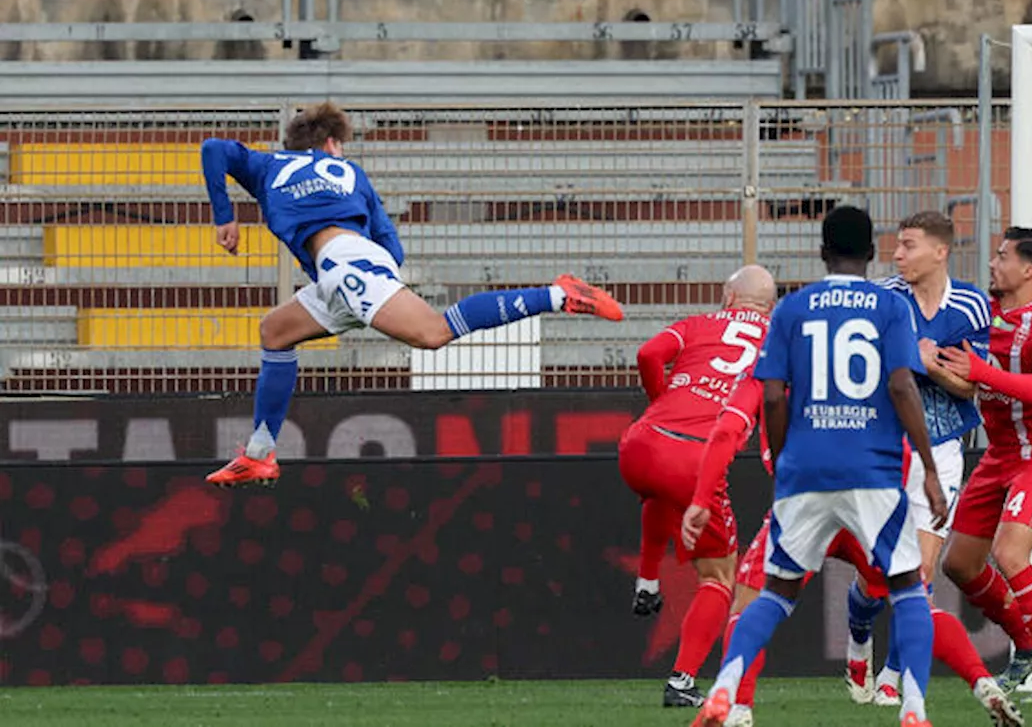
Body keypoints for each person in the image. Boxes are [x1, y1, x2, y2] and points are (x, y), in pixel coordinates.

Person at [200, 102, 623, 487]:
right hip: (349, 266)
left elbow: (214, 148)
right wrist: (375, 276)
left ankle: (558, 294)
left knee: (433, 333)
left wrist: (226, 218)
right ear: (331, 143)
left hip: (342, 267)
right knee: (275, 331)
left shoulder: (267, 165)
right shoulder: (352, 175)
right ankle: (259, 453)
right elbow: (390, 242)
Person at [690, 205, 947, 727]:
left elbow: (774, 397)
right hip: (872, 470)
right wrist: (929, 467)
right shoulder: (889, 306)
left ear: (821, 251)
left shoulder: (791, 308)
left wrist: (784, 460)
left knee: (776, 592)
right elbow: (901, 386)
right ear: (872, 253)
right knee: (907, 588)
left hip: (805, 470)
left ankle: (723, 687)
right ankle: (915, 708)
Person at [844, 212, 1019, 726]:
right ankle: (859, 639)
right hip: (883, 443)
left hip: (941, 446)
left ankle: (893, 679)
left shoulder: (969, 305)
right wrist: (919, 361)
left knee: (918, 575)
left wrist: (929, 363)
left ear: (939, 252)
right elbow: (868, 372)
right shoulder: (881, 298)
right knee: (875, 575)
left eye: (908, 246)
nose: (897, 255)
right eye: (897, 247)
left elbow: (974, 384)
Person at [681, 367, 898, 727]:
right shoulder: (847, 352)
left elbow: (726, 432)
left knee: (751, 604)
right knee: (912, 595)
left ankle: (737, 707)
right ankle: (738, 706)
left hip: (822, 502)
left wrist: (702, 498)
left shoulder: (777, 364)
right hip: (848, 504)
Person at [618, 265, 777, 707]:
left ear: (729, 296)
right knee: (720, 577)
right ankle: (682, 683)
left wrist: (661, 401)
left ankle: (647, 582)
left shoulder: (698, 323)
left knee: (658, 494)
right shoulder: (777, 341)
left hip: (640, 443)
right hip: (695, 456)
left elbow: (649, 354)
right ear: (771, 306)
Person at [937, 227, 1032, 702]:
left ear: (1028, 271)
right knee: (958, 564)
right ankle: (1025, 646)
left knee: (1011, 554)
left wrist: (980, 373)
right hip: (1000, 454)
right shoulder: (984, 315)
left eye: (1002, 257)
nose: (993, 263)